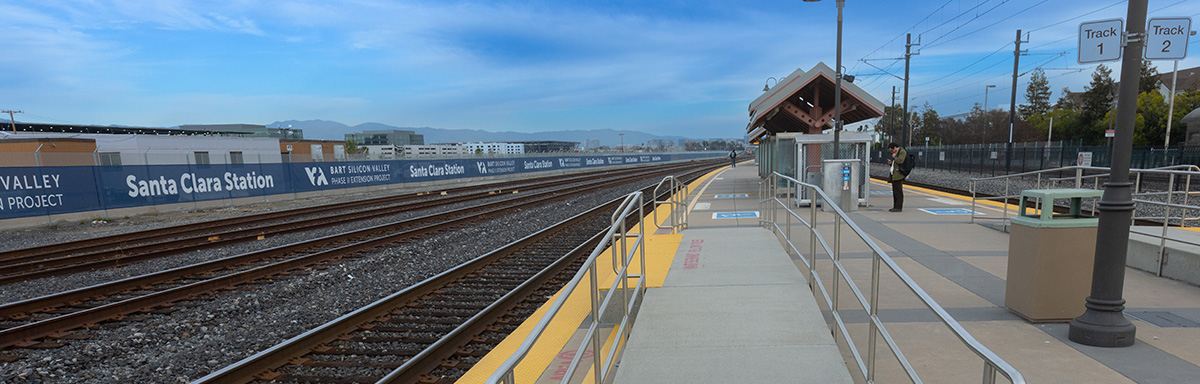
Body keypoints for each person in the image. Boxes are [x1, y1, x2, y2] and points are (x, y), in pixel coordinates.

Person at [887, 143, 906, 212]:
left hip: (899, 175)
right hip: (895, 175)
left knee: (898, 192)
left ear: (895, 148)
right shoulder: (897, 153)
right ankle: (895, 206)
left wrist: (894, 157)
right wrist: (891, 163)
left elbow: (900, 161)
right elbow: (896, 164)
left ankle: (898, 207)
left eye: (892, 150)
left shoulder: (902, 152)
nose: (892, 152)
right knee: (895, 192)